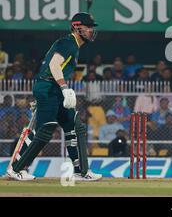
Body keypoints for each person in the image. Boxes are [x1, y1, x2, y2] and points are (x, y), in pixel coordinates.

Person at [7, 12, 102, 181]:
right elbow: (53, 65)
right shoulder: (68, 43)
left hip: (53, 88)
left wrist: (62, 88)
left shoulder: (73, 44)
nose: (90, 31)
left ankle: (81, 171)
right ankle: (16, 169)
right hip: (48, 87)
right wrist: (64, 87)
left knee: (74, 126)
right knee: (45, 129)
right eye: (88, 27)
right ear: (77, 27)